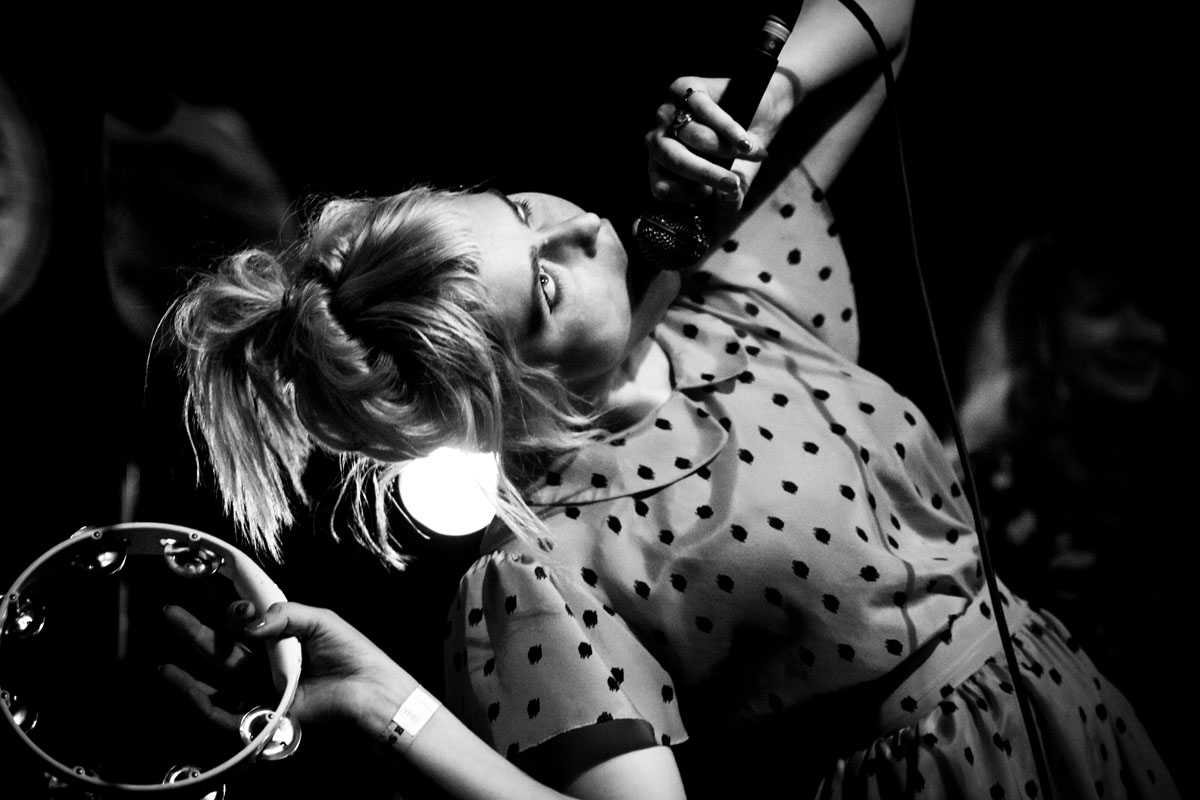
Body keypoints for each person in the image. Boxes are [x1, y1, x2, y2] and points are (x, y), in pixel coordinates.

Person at [160, 1, 1181, 797]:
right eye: (549, 286)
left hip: (1083, 715)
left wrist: (770, 96)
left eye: (523, 210)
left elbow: (886, 22)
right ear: (510, 391)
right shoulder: (540, 571)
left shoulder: (730, 302)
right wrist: (390, 701)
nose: (575, 225)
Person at [955, 227, 1193, 797]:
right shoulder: (995, 479)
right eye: (1104, 310)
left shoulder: (1178, 455)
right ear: (1042, 332)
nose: (1141, 334)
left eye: (1151, 311)